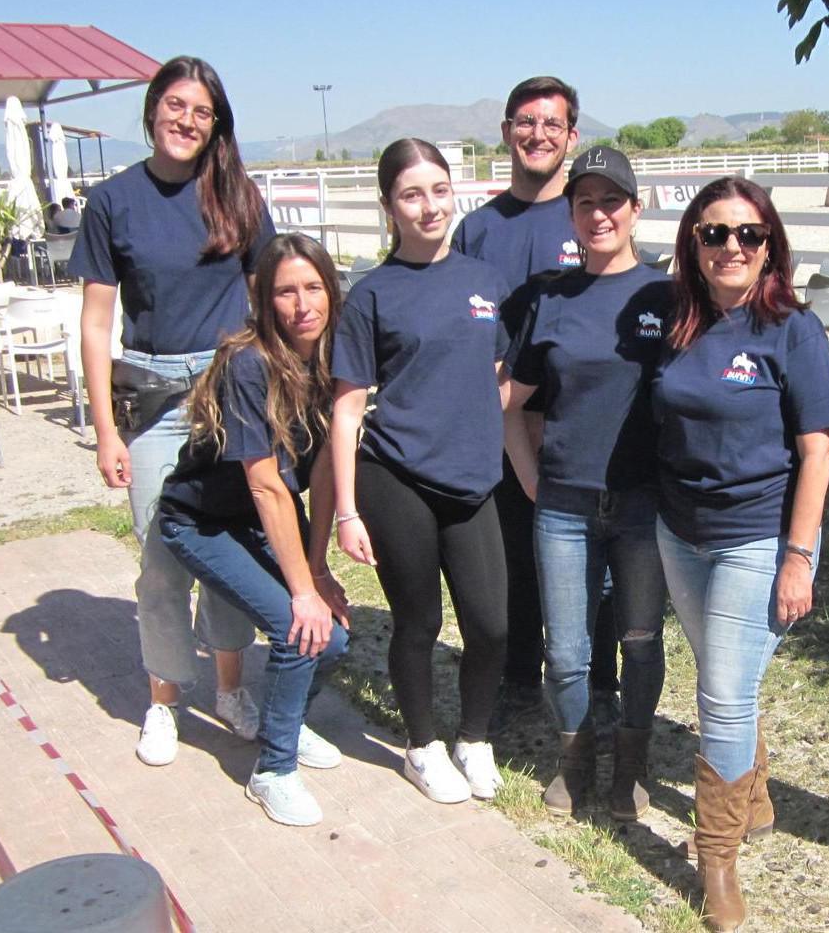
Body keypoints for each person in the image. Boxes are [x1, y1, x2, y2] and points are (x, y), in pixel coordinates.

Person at [653, 177, 829, 932]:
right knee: (724, 675)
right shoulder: (676, 321)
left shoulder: (792, 330)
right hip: (680, 533)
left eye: (748, 233)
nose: (731, 246)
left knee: (723, 696)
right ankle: (755, 799)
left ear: (770, 245)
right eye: (714, 232)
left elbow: (819, 450)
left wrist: (799, 556)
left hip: (759, 536)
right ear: (692, 244)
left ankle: (717, 860)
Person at [75, 55, 276, 768]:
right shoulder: (113, 202)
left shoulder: (238, 198)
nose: (186, 121)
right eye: (176, 105)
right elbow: (96, 323)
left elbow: (270, 298)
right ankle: (163, 700)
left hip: (227, 393)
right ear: (153, 108)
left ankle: (230, 688)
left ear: (216, 125)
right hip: (154, 397)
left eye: (202, 111)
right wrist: (105, 429)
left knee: (227, 550)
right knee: (162, 559)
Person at [331, 138, 510, 805]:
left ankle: (474, 738)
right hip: (396, 477)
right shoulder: (372, 295)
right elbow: (347, 410)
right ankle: (422, 746)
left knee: (491, 625)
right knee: (419, 623)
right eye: (412, 194)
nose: (429, 206)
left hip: (473, 480)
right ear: (389, 207)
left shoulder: (485, 282)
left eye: (439, 189)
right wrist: (346, 511)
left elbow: (499, 379)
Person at [157, 233, 349, 827]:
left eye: (313, 287)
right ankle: (273, 770)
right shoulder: (249, 363)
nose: (303, 305)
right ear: (264, 300)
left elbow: (322, 469)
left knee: (333, 637)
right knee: (299, 630)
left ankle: (285, 723)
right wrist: (302, 593)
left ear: (331, 289)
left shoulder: (333, 357)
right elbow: (266, 485)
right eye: (286, 292)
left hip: (260, 518)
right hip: (202, 522)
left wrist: (317, 571)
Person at [453, 76, 625, 733]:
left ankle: (601, 685)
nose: (538, 134)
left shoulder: (589, 218)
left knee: (595, 564)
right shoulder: (477, 230)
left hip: (581, 423)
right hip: (499, 421)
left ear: (572, 136)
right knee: (512, 558)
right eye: (525, 122)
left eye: (552, 124)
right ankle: (519, 676)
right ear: (506, 132)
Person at [503, 146, 671, 820]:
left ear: (636, 208)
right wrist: (532, 481)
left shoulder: (667, 294)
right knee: (567, 652)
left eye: (612, 201)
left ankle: (631, 763)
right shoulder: (551, 299)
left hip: (643, 506)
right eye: (586, 203)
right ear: (571, 215)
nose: (599, 215)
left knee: (641, 642)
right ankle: (574, 762)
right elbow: (511, 404)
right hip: (565, 506)